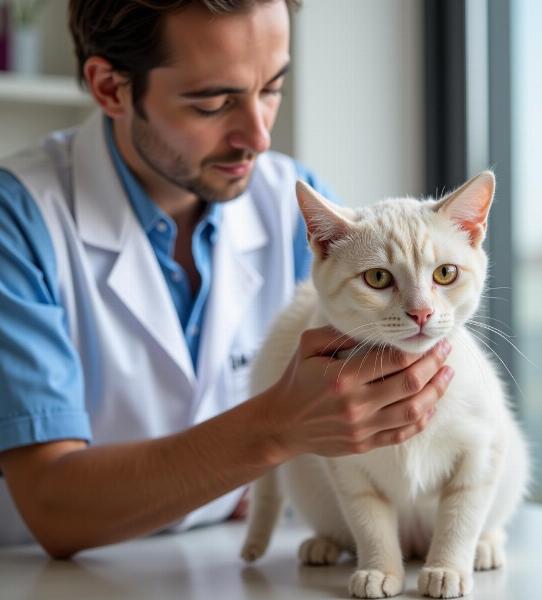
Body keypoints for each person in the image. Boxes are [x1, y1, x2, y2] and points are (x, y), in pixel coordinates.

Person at [0, 0, 453, 558]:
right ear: (110, 88)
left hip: (222, 560)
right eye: (214, 103)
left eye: (272, 88)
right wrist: (274, 431)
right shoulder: (18, 221)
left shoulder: (298, 204)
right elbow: (53, 504)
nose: (259, 138)